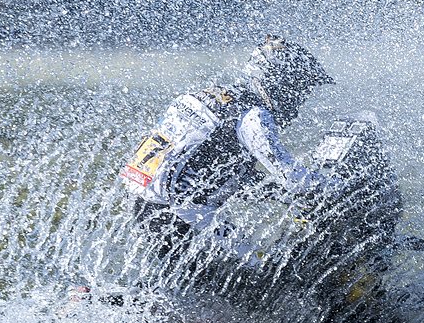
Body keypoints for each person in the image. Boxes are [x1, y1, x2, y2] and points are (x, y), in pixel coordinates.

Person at [119, 35, 334, 276]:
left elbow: (204, 167)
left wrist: (279, 194)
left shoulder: (204, 97)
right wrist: (339, 187)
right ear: (280, 83)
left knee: (184, 278)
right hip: (180, 214)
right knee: (266, 271)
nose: (298, 103)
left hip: (144, 204)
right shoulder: (253, 117)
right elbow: (292, 176)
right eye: (299, 91)